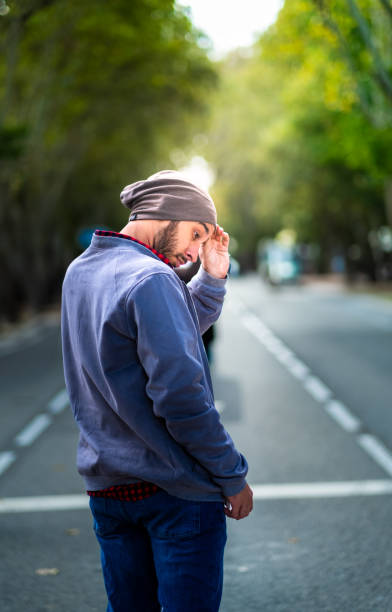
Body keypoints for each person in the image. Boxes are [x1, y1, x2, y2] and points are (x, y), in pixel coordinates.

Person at [61, 170, 253, 612]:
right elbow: (181, 399)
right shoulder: (151, 279)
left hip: (108, 491)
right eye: (196, 234)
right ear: (168, 213)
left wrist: (212, 275)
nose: (194, 252)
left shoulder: (80, 271)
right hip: (174, 495)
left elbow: (162, 340)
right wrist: (231, 474)